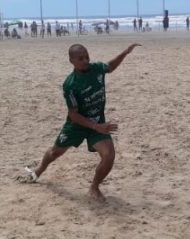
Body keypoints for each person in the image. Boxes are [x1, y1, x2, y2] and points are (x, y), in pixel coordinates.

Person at [24, 43, 141, 202]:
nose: (85, 60)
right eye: (80, 58)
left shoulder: (97, 69)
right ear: (71, 61)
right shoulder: (70, 84)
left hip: (97, 124)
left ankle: (94, 187)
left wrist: (125, 53)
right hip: (77, 125)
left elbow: (110, 66)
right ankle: (38, 170)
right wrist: (96, 126)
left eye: (87, 56)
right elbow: (73, 115)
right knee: (54, 153)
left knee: (109, 155)